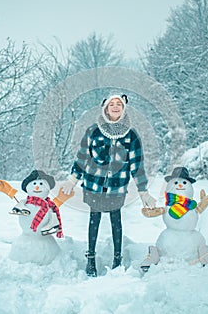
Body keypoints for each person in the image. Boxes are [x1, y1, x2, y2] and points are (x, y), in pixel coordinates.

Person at [61, 94, 156, 277]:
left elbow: (137, 164)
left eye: (118, 104)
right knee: (94, 219)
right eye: (111, 104)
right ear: (105, 108)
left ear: (123, 108)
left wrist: (143, 191)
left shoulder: (131, 135)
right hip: (93, 185)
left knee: (116, 220)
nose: (115, 106)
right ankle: (91, 259)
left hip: (117, 187)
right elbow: (82, 156)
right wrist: (73, 179)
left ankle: (117, 259)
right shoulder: (93, 131)